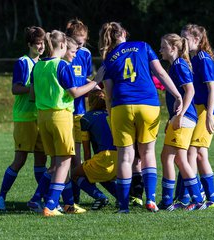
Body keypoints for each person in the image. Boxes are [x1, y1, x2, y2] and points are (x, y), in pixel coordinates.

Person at [98, 22, 183, 213]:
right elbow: (160, 72)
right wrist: (178, 96)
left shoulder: (109, 58)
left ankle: (123, 206)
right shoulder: (143, 46)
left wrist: (111, 115)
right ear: (125, 33)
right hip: (148, 104)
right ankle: (151, 200)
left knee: (125, 157)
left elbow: (109, 95)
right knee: (147, 153)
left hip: (122, 106)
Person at [28, 30, 104, 217]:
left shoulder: (37, 66)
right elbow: (76, 93)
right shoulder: (61, 65)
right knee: (64, 162)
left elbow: (32, 96)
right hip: (60, 116)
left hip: (43, 117)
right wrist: (96, 81)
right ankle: (51, 205)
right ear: (62, 45)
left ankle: (40, 199)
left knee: (55, 163)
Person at [0, 26, 47, 211]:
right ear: (29, 45)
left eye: (43, 43)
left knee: (42, 160)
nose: (41, 47)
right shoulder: (22, 63)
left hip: (41, 117)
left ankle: (39, 200)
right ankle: (1, 197)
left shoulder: (45, 63)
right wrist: (33, 89)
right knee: (20, 160)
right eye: (38, 44)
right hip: (24, 118)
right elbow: (15, 89)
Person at [158, 33, 206, 211]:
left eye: (163, 47)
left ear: (173, 47)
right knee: (169, 157)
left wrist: (179, 115)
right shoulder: (175, 66)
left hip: (185, 118)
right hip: (181, 118)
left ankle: (195, 199)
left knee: (177, 158)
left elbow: (190, 91)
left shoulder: (178, 65)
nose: (160, 50)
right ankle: (169, 201)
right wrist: (172, 117)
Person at [181, 24, 214, 208]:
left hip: (205, 109)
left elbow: (212, 88)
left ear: (196, 40)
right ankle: (210, 198)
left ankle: (193, 195)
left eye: (185, 39)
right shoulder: (193, 58)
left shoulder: (203, 58)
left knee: (193, 152)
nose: (182, 42)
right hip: (197, 109)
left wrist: (210, 115)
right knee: (200, 155)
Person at [71, 89, 118, 210]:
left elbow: (86, 151)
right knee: (99, 175)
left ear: (90, 102)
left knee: (75, 174)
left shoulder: (86, 118)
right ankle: (121, 196)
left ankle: (100, 197)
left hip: (103, 157)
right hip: (120, 159)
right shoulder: (112, 114)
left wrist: (87, 165)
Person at [65, 19, 94, 204]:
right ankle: (73, 198)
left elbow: (85, 78)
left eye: (82, 41)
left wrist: (94, 87)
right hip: (66, 111)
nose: (80, 45)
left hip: (81, 112)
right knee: (72, 158)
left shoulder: (85, 54)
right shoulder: (63, 55)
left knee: (85, 157)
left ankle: (77, 196)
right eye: (76, 41)